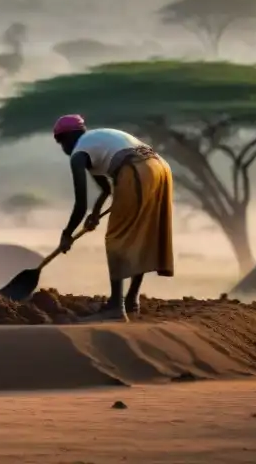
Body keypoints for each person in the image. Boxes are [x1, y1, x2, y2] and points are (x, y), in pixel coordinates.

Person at [51, 114, 174, 322]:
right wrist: (96, 214)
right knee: (142, 234)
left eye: (61, 143)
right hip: (159, 168)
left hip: (135, 170)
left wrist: (66, 234)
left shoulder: (79, 154)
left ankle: (116, 306)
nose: (63, 150)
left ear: (67, 138)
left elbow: (80, 204)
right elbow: (106, 189)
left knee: (117, 238)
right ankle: (131, 300)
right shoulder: (95, 141)